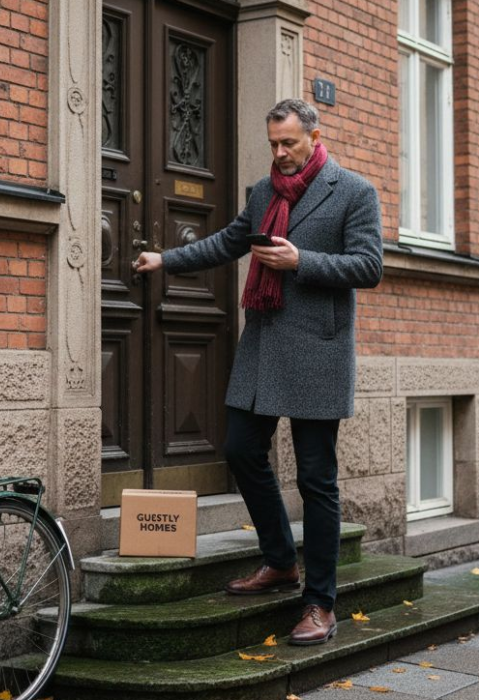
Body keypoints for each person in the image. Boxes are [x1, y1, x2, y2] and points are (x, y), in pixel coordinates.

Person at [132, 98, 383, 645]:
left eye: (288, 142)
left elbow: (370, 266)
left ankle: (320, 603)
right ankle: (279, 560)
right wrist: (165, 260)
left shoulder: (355, 192)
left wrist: (302, 263)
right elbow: (229, 241)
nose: (279, 152)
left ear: (314, 137)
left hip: (319, 349)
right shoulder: (263, 191)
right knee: (242, 448)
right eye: (273, 143)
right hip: (265, 344)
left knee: (316, 479)